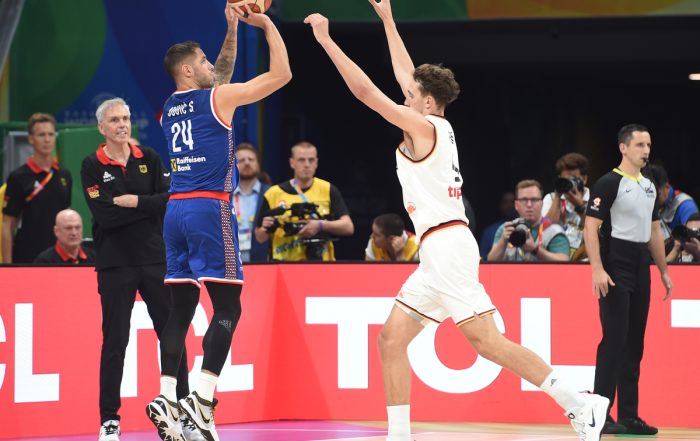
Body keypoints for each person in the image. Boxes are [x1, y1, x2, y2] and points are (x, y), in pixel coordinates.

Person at [304, 3, 609, 441]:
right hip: (437, 250)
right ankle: (399, 435)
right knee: (391, 339)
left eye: (410, 94)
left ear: (427, 101)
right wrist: (388, 20)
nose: (404, 96)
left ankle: (579, 404)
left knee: (487, 343)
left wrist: (326, 41)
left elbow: (366, 92)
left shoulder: (424, 127)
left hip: (446, 246)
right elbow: (406, 74)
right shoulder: (437, 124)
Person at [148, 4, 291, 441]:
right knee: (229, 308)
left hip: (175, 211)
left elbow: (220, 76)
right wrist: (265, 24)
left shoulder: (169, 107)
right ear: (188, 70)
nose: (213, 64)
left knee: (181, 310)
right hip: (209, 209)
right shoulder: (217, 100)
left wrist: (231, 28)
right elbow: (281, 75)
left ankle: (166, 397)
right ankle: (203, 398)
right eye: (204, 61)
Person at [81, 98, 196, 441]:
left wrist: (133, 201)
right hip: (115, 263)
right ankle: (109, 421)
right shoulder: (91, 165)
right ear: (101, 128)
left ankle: (184, 414)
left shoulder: (150, 157)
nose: (122, 124)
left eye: (126, 118)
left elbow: (169, 200)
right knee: (115, 341)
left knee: (171, 336)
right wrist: (147, 207)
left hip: (154, 259)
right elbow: (105, 216)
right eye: (114, 120)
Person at [583, 123, 673, 435]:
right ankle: (600, 414)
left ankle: (629, 415)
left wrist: (663, 270)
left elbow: (654, 231)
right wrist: (597, 268)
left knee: (635, 342)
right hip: (615, 262)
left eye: (648, 145)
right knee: (614, 339)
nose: (646, 151)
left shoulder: (649, 185)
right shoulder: (609, 183)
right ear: (623, 148)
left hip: (640, 264)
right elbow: (590, 227)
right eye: (639, 145)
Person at [254, 141, 354, 261]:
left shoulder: (328, 189)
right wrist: (266, 227)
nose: (307, 165)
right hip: (284, 264)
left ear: (316, 163)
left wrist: (320, 225)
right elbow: (260, 238)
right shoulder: (273, 193)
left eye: (311, 160)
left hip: (322, 263)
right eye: (301, 160)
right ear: (292, 163)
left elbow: (348, 227)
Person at [2, 113, 72, 263]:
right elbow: (8, 225)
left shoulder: (64, 175)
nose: (47, 139)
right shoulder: (18, 177)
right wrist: (7, 267)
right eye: (41, 135)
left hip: (59, 259)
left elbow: (67, 219)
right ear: (31, 139)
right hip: (27, 258)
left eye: (50, 134)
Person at [487, 180, 570, 262]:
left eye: (534, 200)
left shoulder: (554, 231)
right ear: (516, 205)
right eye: (524, 200)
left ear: (541, 204)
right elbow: (491, 262)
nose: (529, 205)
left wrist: (535, 250)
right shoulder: (506, 229)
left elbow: (564, 262)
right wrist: (503, 241)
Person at [542, 152, 591, 260]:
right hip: (556, 258)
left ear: (584, 179)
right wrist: (558, 196)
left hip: (585, 259)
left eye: (574, 179)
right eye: (566, 179)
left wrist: (580, 206)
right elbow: (545, 230)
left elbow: (596, 233)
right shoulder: (551, 198)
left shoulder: (595, 201)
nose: (570, 183)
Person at [642, 164, 698, 255]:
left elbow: (693, 245)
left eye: (657, 194)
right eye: (648, 194)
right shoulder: (644, 203)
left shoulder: (686, 206)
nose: (653, 199)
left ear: (667, 186)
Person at [234, 142, 270, 262]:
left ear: (258, 165)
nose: (247, 163)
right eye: (241, 160)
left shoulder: (271, 193)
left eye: (251, 159)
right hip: (231, 263)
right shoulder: (224, 196)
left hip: (263, 261)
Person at [479, 191, 515, 258]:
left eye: (512, 202)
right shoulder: (489, 231)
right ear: (500, 206)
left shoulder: (526, 228)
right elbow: (483, 258)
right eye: (505, 202)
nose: (509, 206)